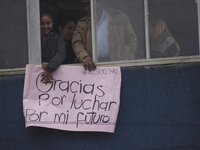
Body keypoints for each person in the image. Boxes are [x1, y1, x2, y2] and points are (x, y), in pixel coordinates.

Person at [72, 0, 137, 71]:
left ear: (99, 2)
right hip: (93, 68)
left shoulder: (118, 17)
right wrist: (85, 57)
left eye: (90, 4)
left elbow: (131, 39)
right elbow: (76, 43)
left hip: (118, 65)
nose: (87, 8)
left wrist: (127, 57)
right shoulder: (81, 23)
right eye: (85, 5)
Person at [40, 9, 66, 83]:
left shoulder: (58, 38)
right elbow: (26, 57)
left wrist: (49, 67)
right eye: (42, 24)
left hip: (57, 77)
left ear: (53, 23)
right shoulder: (34, 40)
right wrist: (41, 64)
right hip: (38, 75)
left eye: (48, 23)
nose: (45, 26)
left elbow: (60, 54)